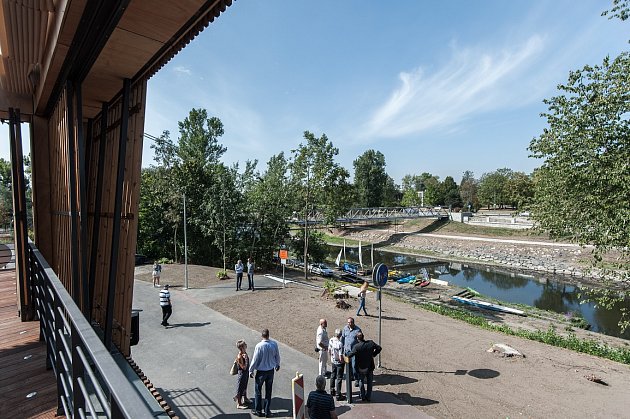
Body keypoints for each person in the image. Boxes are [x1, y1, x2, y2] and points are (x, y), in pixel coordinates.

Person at [249, 328, 281, 417]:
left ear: (262, 336)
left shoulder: (259, 346)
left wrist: (250, 370)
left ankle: (258, 410)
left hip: (261, 372)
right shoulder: (274, 344)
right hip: (270, 371)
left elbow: (255, 359)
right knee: (268, 391)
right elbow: (277, 356)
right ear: (268, 335)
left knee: (258, 391)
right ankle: (267, 411)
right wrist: (277, 365)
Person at [347, 332, 381, 402]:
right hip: (369, 367)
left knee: (361, 381)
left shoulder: (356, 347)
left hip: (360, 368)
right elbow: (379, 348)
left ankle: (362, 396)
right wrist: (373, 354)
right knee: (369, 382)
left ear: (357, 339)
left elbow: (350, 355)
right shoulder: (370, 343)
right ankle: (368, 396)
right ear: (363, 336)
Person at [341, 317, 362, 387]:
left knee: (354, 366)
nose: (348, 324)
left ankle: (356, 378)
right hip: (347, 351)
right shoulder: (345, 328)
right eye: (348, 322)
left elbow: (360, 341)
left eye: (350, 322)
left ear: (353, 323)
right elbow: (343, 339)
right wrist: (342, 349)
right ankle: (351, 376)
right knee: (348, 365)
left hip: (354, 352)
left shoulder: (357, 330)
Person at [328, 328, 346, 401]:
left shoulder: (331, 340)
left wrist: (332, 358)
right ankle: (338, 394)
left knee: (333, 375)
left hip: (333, 361)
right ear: (340, 335)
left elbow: (329, 350)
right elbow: (340, 356)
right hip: (339, 362)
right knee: (339, 378)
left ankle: (332, 390)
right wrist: (343, 361)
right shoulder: (340, 344)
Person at [234, 339, 250, 409]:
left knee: (245, 386)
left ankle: (245, 398)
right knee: (240, 388)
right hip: (242, 374)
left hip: (245, 374)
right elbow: (243, 367)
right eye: (244, 345)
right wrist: (246, 359)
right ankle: (239, 403)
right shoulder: (240, 356)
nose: (246, 345)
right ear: (241, 347)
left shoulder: (244, 353)